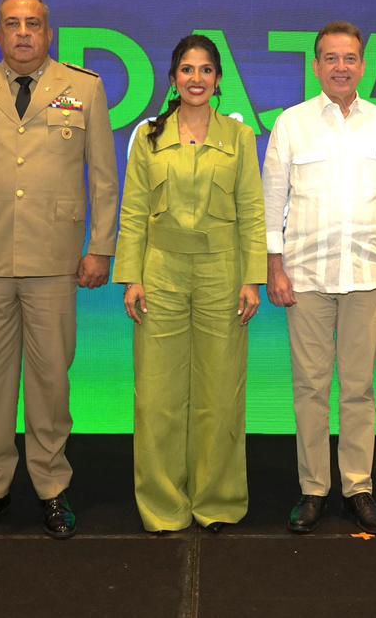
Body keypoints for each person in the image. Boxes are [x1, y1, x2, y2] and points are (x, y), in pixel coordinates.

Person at [0, 0, 119, 540]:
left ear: (49, 33)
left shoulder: (84, 87)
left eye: (33, 24)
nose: (23, 33)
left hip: (55, 257)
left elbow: (104, 178)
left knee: (50, 379)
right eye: (13, 24)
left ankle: (51, 485)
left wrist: (101, 247)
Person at [262, 20, 376, 536]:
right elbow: (272, 203)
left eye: (349, 58)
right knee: (310, 388)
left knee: (358, 389)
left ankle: (358, 487)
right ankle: (313, 489)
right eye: (330, 58)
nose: (340, 67)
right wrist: (274, 267)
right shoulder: (292, 123)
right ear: (315, 66)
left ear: (363, 65)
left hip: (368, 278)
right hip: (305, 277)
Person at [115, 35, 267, 533]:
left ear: (218, 79)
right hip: (160, 273)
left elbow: (252, 211)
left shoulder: (240, 137)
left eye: (205, 70)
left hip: (222, 273)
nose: (196, 78)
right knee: (156, 394)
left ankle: (217, 500)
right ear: (173, 78)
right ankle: (162, 505)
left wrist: (253, 279)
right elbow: (133, 211)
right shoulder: (149, 137)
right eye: (187, 69)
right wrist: (131, 277)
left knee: (220, 393)